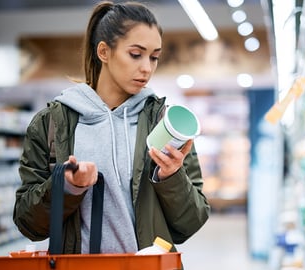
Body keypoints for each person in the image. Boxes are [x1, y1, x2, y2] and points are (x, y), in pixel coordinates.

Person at [13, 0, 210, 256]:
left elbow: (190, 223)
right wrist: (68, 187)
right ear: (104, 52)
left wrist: (171, 178)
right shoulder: (51, 123)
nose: (146, 68)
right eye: (136, 54)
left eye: (154, 57)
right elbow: (29, 224)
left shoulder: (164, 124)